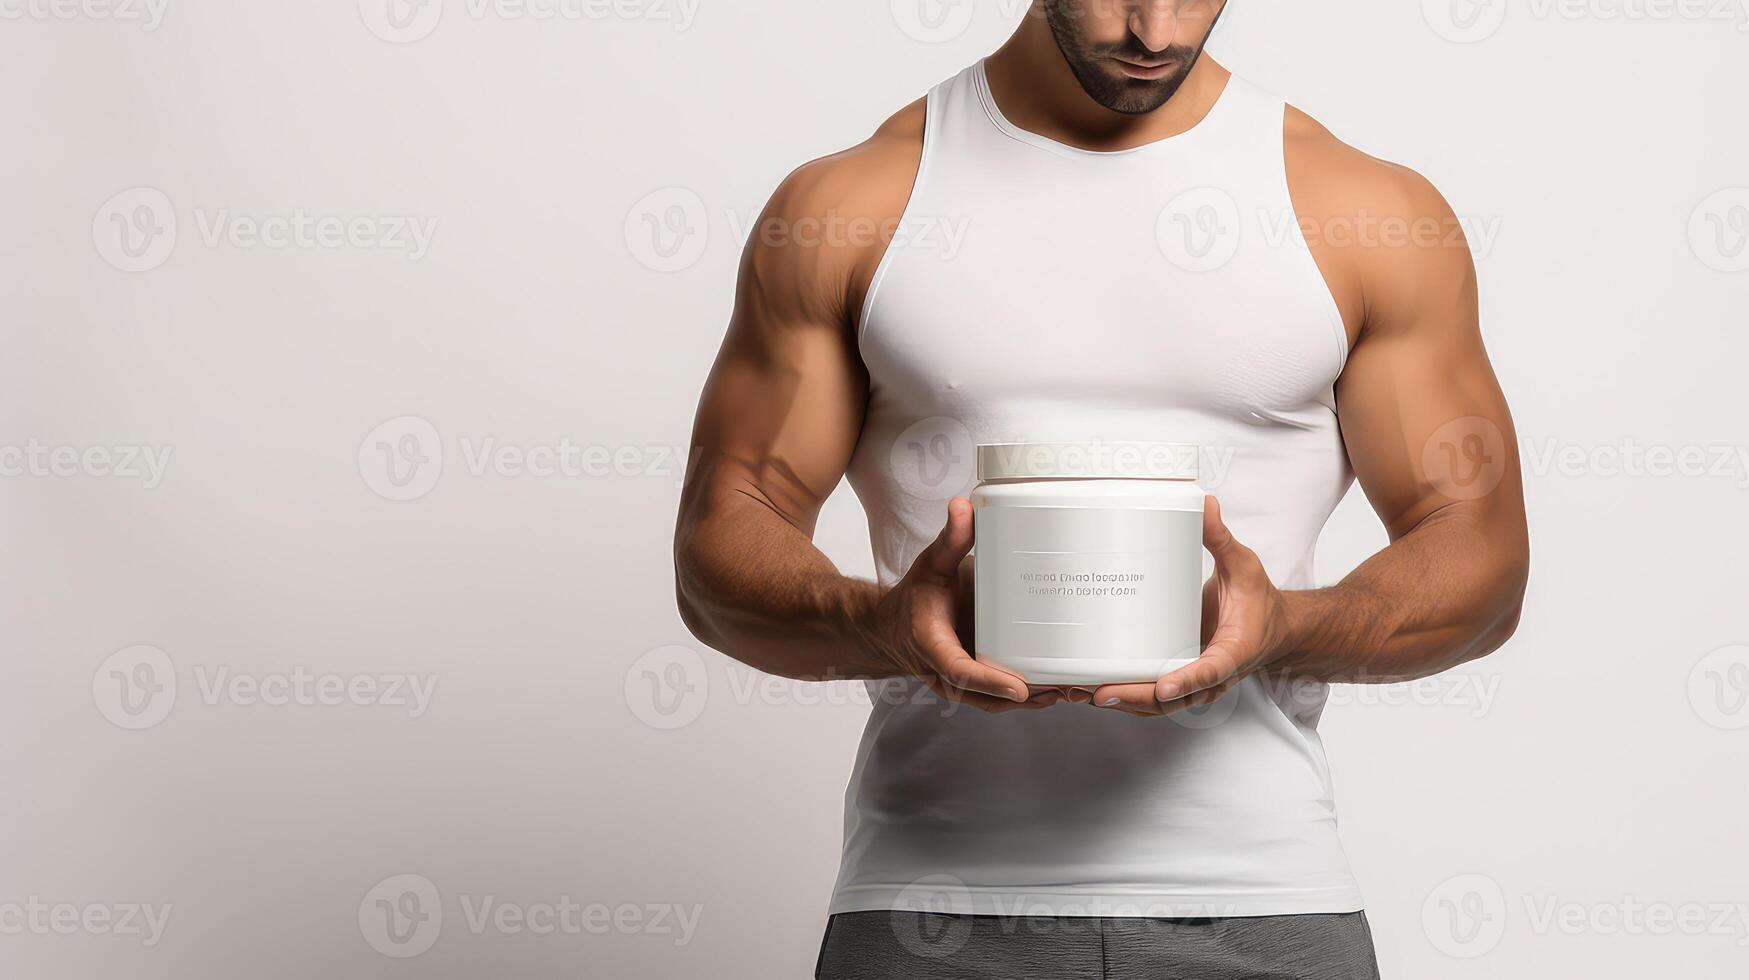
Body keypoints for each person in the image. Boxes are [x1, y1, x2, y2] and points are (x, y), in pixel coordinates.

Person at [673, 1, 1529, 975]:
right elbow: (720, 546)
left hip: (1266, 900)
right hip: (930, 906)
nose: (1156, 30)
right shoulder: (853, 204)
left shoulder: (1360, 210)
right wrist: (880, 623)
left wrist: (1286, 626)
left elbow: (1482, 557)